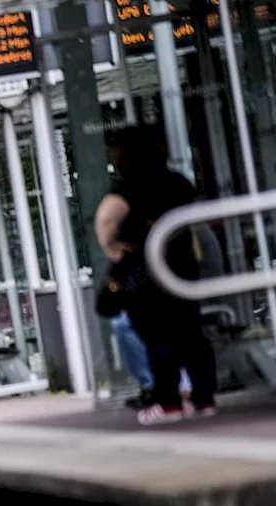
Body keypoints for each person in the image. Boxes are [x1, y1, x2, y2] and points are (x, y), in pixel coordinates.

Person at [96, 126, 216, 425]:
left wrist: (111, 246)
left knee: (157, 337)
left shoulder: (129, 186)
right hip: (182, 266)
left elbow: (107, 217)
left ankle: (169, 401)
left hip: (144, 271)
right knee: (190, 333)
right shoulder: (178, 182)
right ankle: (204, 398)